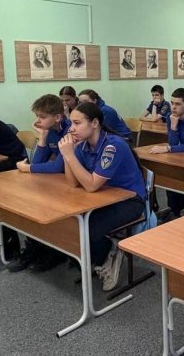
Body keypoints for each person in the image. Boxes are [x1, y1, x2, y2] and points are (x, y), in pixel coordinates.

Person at [58, 102, 146, 291]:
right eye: (71, 123)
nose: (71, 129)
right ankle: (100, 252)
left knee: (89, 227)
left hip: (130, 200)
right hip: (104, 196)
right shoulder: (83, 146)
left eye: (77, 123)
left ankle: (108, 254)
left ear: (95, 123)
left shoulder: (113, 146)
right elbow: (73, 183)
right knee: (71, 221)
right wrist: (68, 155)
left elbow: (90, 185)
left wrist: (70, 156)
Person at [11, 94, 72, 272]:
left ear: (58, 117)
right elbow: (38, 162)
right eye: (37, 116)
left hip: (72, 182)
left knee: (46, 206)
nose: (37, 121)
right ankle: (37, 245)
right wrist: (43, 138)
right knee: (33, 202)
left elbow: (58, 166)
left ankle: (54, 251)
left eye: (42, 117)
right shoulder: (50, 131)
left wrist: (28, 168)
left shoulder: (70, 131)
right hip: (58, 181)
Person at [149, 88, 184, 220]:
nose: (173, 107)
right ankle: (174, 210)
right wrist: (173, 127)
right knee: (170, 172)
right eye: (172, 103)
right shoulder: (171, 117)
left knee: (181, 176)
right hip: (183, 156)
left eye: (178, 104)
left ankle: (175, 210)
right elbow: (173, 142)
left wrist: (167, 149)